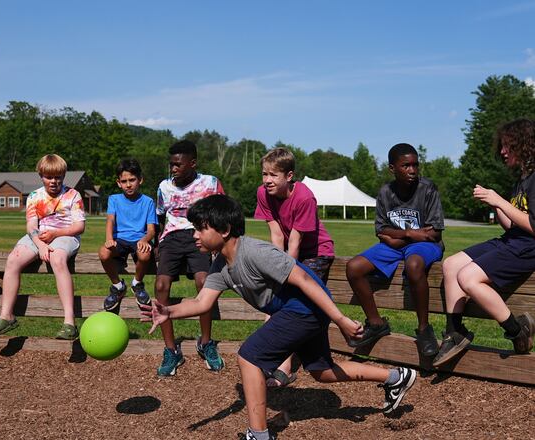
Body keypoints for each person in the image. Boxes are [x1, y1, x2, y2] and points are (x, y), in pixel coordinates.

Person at [141, 194, 417, 440]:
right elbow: (202, 302)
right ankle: (396, 376)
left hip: (304, 307)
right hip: (298, 311)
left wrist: (340, 319)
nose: (194, 235)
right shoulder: (220, 265)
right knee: (322, 372)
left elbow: (307, 281)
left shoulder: (256, 252)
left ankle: (258, 434)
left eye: (201, 228)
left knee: (249, 356)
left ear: (224, 230)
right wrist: (169, 311)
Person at [433, 119, 535, 367]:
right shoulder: (522, 179)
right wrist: (496, 205)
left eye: (507, 146)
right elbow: (511, 225)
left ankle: (517, 331)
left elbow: (533, 226)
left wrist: (499, 201)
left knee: (468, 278)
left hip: (528, 248)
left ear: (523, 145)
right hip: (512, 240)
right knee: (450, 265)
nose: (502, 152)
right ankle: (454, 332)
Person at [345, 143, 444, 357]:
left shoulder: (428, 188)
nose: (412, 170)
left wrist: (399, 236)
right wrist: (409, 234)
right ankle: (376, 323)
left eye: (415, 165)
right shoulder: (385, 192)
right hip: (396, 245)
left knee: (414, 265)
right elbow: (381, 230)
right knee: (354, 267)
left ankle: (424, 329)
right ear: (392, 168)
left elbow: (434, 233)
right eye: (406, 166)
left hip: (425, 245)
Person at [254, 147, 336, 386]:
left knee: (292, 300)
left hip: (316, 252)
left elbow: (296, 241)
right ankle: (273, 358)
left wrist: (286, 274)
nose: (267, 180)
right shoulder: (263, 193)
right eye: (264, 174)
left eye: (273, 175)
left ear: (289, 176)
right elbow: (277, 234)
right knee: (279, 297)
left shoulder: (304, 197)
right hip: (290, 249)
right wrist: (275, 270)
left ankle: (284, 366)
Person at [0, 154, 85, 340]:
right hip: (39, 236)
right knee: (13, 259)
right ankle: (7, 316)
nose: (54, 181)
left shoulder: (73, 195)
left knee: (57, 259)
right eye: (49, 177)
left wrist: (55, 234)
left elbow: (79, 226)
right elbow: (31, 226)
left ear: (64, 176)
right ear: (41, 175)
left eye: (58, 177)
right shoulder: (34, 196)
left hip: (66, 235)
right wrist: (40, 244)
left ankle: (69, 322)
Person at [155, 139, 225, 376]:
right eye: (171, 164)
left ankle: (205, 342)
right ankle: (171, 350)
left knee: (203, 282)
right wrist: (155, 243)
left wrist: (218, 243)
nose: (173, 169)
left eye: (178, 164)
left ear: (192, 163)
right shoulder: (164, 186)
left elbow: (222, 210)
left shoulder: (210, 183)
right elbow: (160, 218)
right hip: (172, 238)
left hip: (199, 235)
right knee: (160, 285)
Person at [99, 159, 156, 311]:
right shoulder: (114, 199)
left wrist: (145, 240)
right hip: (120, 240)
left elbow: (151, 230)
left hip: (139, 240)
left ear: (140, 180)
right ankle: (118, 286)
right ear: (119, 183)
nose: (128, 184)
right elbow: (110, 219)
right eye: (124, 181)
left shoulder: (148, 202)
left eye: (132, 180)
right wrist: (109, 239)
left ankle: (137, 284)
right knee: (104, 253)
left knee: (144, 255)